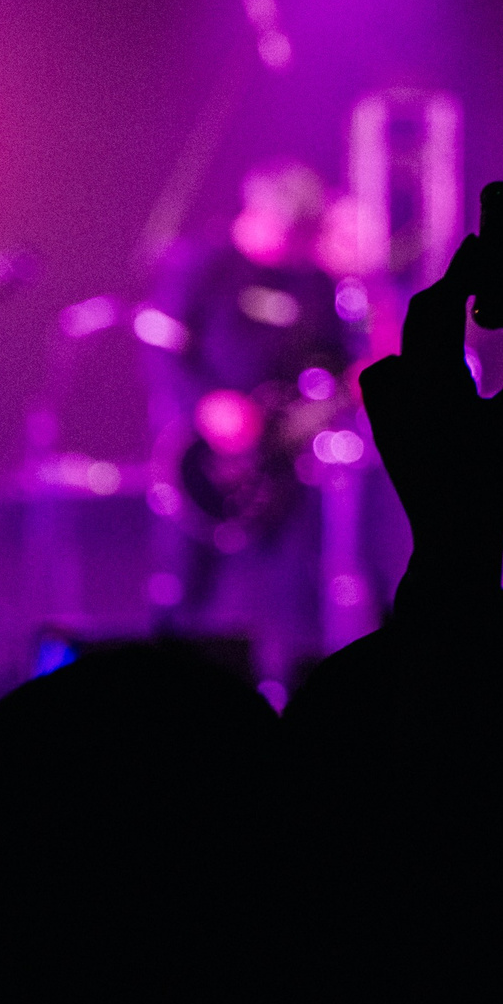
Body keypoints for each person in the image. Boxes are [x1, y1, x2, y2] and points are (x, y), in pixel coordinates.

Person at [137, 160, 364, 670]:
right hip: (201, 458)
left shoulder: (312, 283)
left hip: (281, 463)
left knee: (294, 594)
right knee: (186, 590)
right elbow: (161, 346)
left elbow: (336, 361)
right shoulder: (204, 263)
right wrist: (206, 405)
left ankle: (288, 691)